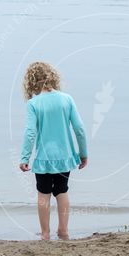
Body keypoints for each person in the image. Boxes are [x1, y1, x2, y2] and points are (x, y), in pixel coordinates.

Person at [19, 61, 88, 240]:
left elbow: (30, 132)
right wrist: (83, 153)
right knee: (62, 191)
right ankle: (63, 231)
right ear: (53, 77)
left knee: (43, 194)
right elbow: (79, 129)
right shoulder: (67, 99)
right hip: (65, 157)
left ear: (32, 82)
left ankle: (45, 234)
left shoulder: (34, 104)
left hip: (44, 158)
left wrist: (25, 157)